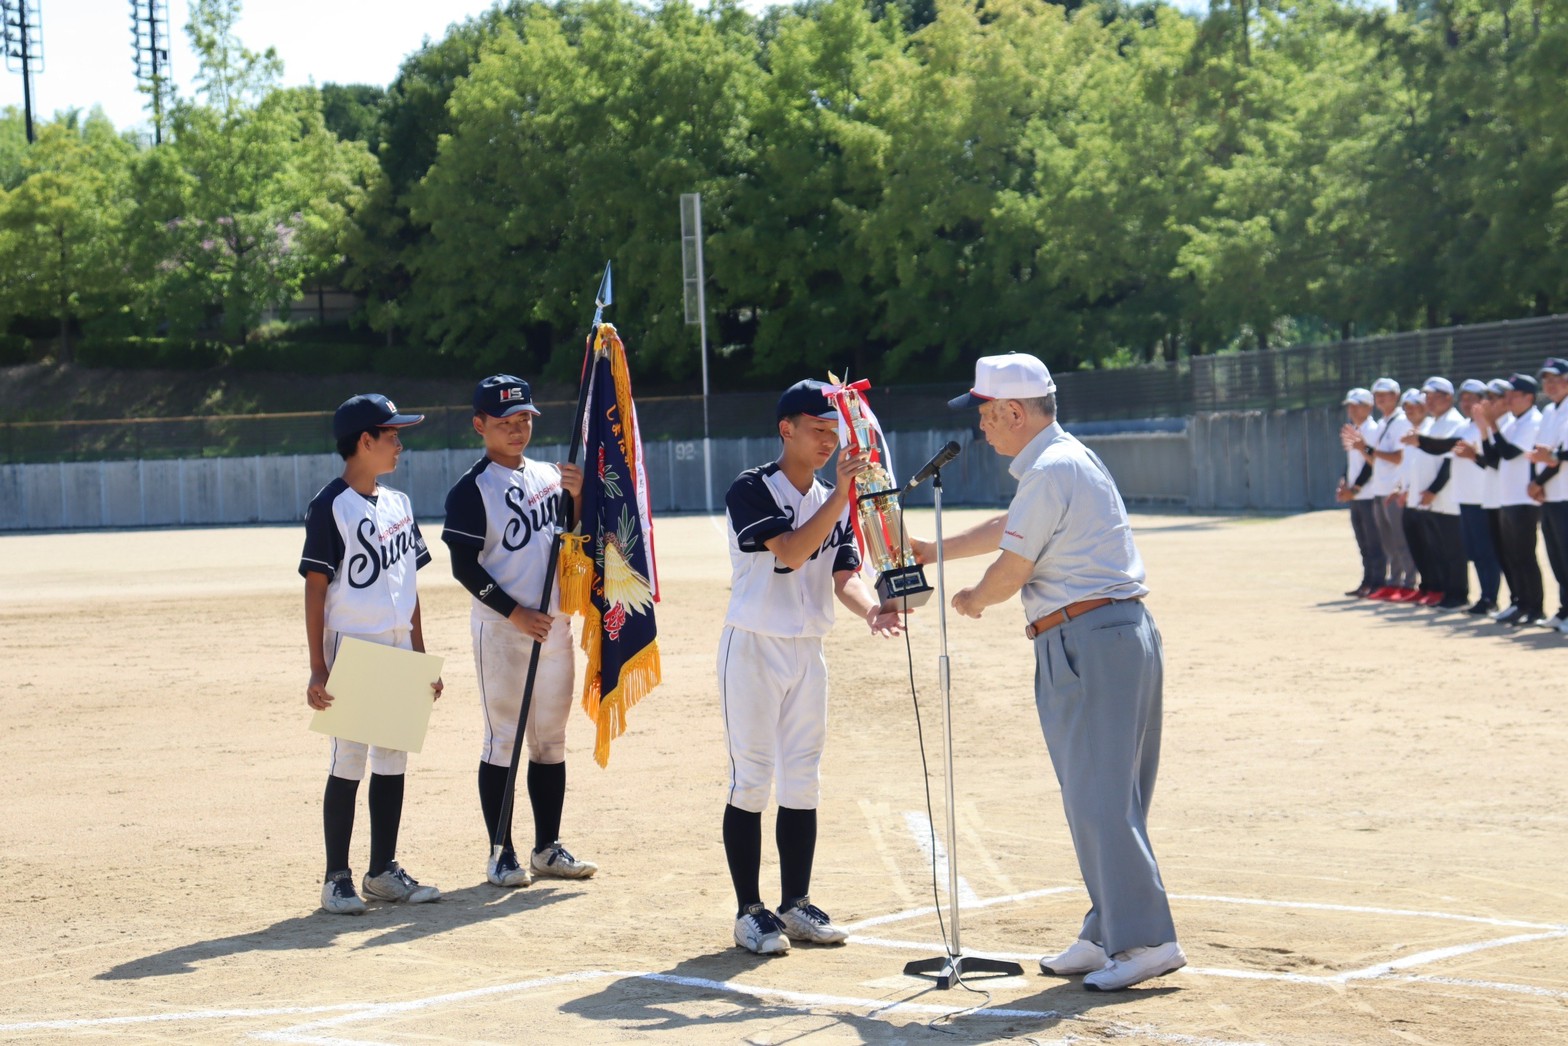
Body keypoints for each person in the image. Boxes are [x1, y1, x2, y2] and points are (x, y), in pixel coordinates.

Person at [912, 353, 1183, 992]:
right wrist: (936, 551)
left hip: (1090, 639)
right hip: (1109, 635)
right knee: (1106, 797)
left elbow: (1014, 565)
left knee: (1098, 799)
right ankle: (1107, 930)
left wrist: (975, 597)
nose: (980, 425)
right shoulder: (1061, 462)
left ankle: (1145, 940)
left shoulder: (1052, 467)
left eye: (985, 412)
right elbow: (1015, 528)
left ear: (1013, 411)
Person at [717, 379, 904, 955]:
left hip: (807, 649)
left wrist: (873, 607)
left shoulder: (833, 497)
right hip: (752, 646)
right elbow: (795, 551)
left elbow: (843, 572)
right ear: (786, 429)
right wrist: (840, 494)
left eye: (835, 431)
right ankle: (750, 911)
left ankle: (794, 902)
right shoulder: (752, 488)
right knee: (751, 777)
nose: (829, 441)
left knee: (803, 776)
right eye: (818, 430)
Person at [441, 374, 598, 889]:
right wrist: (514, 613)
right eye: (505, 422)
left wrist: (574, 499)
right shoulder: (471, 489)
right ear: (480, 425)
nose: (517, 430)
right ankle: (500, 851)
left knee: (551, 741)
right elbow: (465, 568)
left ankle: (547, 847)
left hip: (553, 629)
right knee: (502, 741)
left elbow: (571, 541)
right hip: (504, 632)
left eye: (524, 419)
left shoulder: (553, 476)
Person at [301, 394, 443, 915]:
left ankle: (382, 870)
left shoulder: (400, 505)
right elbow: (317, 588)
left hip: (398, 642)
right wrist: (319, 666)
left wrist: (420, 654)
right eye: (391, 435)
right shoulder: (330, 506)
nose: (400, 444)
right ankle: (335, 877)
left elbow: (409, 586)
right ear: (365, 441)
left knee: (392, 758)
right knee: (350, 759)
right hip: (354, 646)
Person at [1425, 379, 1500, 615]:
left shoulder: (1485, 426)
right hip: (1465, 497)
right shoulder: (1466, 428)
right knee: (1475, 553)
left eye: (1473, 399)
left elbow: (1493, 462)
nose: (1467, 403)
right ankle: (1483, 596)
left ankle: (1490, 598)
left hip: (1482, 498)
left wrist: (1474, 456)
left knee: (1487, 552)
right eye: (1464, 399)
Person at [1477, 373, 1545, 626]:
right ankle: (1521, 603)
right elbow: (1493, 458)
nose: (1507, 400)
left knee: (1525, 555)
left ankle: (1535, 607)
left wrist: (1492, 424)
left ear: (1528, 397)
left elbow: (1509, 453)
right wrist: (1486, 431)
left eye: (1512, 395)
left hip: (1524, 499)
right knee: (1512, 555)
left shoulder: (1532, 421)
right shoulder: (1513, 423)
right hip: (1509, 498)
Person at [1399, 378, 1467, 608]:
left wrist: (1433, 490)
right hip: (1428, 500)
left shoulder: (1455, 423)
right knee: (1437, 550)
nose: (1429, 401)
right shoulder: (1430, 424)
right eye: (1426, 396)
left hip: (1446, 498)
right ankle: (1445, 591)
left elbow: (1448, 464)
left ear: (1448, 397)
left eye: (1434, 396)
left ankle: (1458, 594)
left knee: (1453, 551)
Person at [1351, 378, 1417, 600]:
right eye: (1377, 394)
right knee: (1388, 542)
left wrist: (1368, 449)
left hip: (1392, 489)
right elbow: (1376, 461)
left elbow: (1398, 457)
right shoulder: (1383, 423)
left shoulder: (1400, 422)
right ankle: (1395, 581)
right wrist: (1364, 452)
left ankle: (1409, 583)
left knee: (1400, 540)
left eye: (1385, 394)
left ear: (1396, 396)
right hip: (1380, 489)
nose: (1380, 398)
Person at [1527, 358, 1568, 632]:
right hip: (1551, 496)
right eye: (1546, 379)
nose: (1550, 384)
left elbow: (1557, 455)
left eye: (1555, 378)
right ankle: (1564, 610)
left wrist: (1538, 480)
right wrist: (1536, 482)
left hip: (1565, 493)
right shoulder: (1550, 412)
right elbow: (1538, 453)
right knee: (1556, 557)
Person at [1336, 388, 1384, 597]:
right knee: (1363, 542)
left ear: (1369, 407)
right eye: (1350, 405)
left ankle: (1378, 582)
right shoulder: (1354, 429)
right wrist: (1344, 482)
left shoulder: (1373, 431)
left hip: (1369, 494)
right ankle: (1367, 581)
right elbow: (1352, 464)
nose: (1352, 409)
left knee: (1374, 542)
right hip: (1357, 496)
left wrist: (1355, 489)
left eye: (1357, 405)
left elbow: (1372, 465)